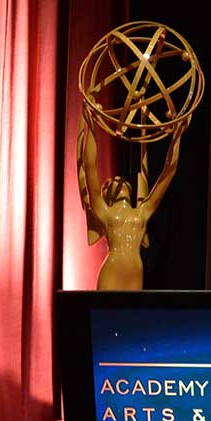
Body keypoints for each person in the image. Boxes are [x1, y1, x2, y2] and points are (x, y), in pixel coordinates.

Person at [77, 104, 185, 291]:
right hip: (112, 270)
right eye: (113, 182)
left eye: (123, 181)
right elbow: (90, 166)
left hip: (135, 272)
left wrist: (178, 134)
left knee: (130, 318)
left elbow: (169, 171)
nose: (120, 182)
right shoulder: (105, 213)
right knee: (104, 317)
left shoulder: (142, 212)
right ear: (107, 195)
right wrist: (91, 123)